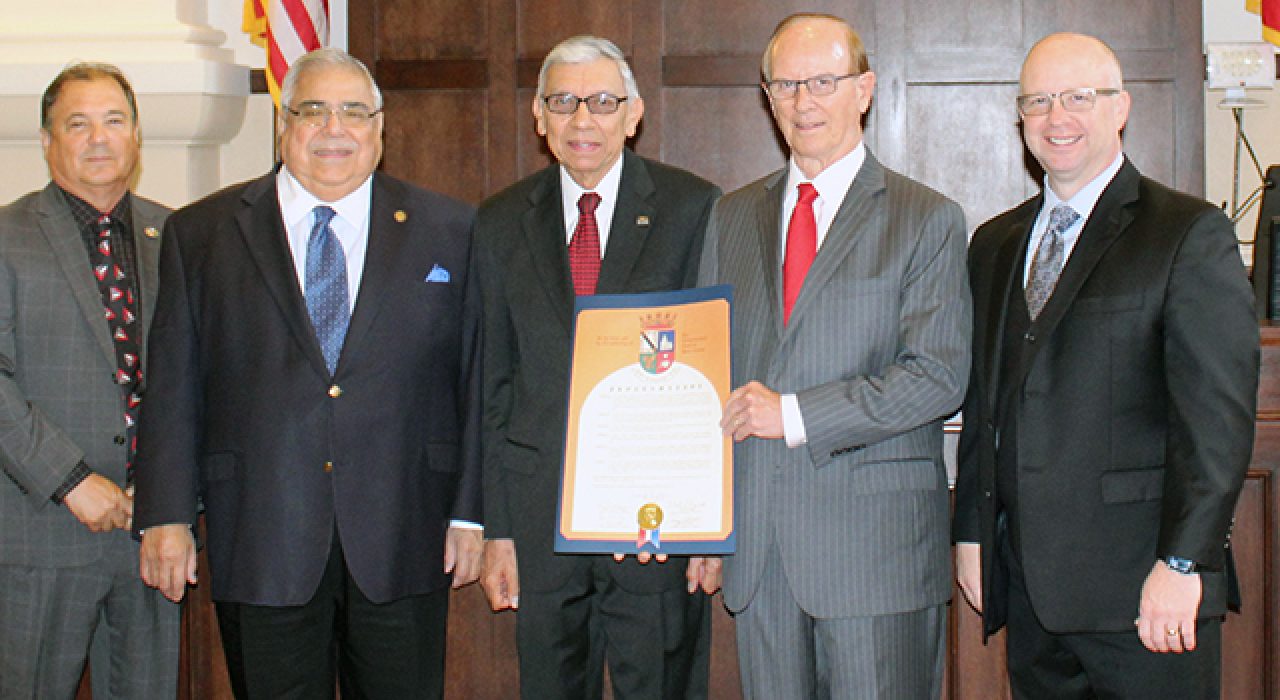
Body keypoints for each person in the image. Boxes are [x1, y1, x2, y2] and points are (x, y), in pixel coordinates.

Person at [132, 47, 482, 699]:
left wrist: (471, 514)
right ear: (282, 124)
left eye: (354, 111)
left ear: (381, 128)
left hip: (405, 533)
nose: (334, 129)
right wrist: (165, 514)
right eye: (313, 110)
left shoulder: (451, 229)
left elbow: (476, 380)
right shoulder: (202, 233)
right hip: (262, 536)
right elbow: (173, 386)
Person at [953, 32, 1258, 699]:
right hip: (1032, 596)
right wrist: (972, 536)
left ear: (1120, 108)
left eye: (1077, 97)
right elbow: (986, 403)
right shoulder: (995, 243)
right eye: (1038, 101)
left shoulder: (1186, 233)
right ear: (1020, 118)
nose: (1056, 117)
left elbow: (1218, 425)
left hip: (1147, 598)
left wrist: (1185, 563)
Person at [696, 13, 971, 699]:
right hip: (759, 555)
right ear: (767, 96)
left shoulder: (925, 217)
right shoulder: (729, 216)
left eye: (823, 80)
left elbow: (937, 377)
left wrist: (791, 414)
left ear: (865, 89)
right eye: (786, 84)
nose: (803, 101)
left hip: (872, 555)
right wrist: (703, 519)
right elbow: (705, 376)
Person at [473, 34, 722, 700]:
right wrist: (497, 529)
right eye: (564, 101)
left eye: (603, 101)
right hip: (538, 527)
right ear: (539, 115)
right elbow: (491, 387)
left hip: (658, 533)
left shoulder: (693, 209)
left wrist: (710, 528)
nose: (583, 119)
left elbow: (713, 378)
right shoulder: (498, 223)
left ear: (634, 115)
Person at [0, 62, 180, 699]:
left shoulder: (177, 236)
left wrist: (170, 493)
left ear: (136, 137)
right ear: (47, 141)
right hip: (40, 533)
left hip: (152, 533)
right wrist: (71, 479)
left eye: (114, 121)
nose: (99, 138)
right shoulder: (6, 237)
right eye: (78, 124)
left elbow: (198, 377)